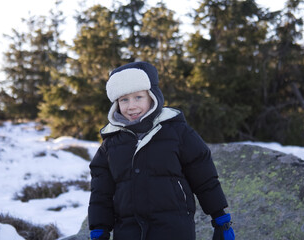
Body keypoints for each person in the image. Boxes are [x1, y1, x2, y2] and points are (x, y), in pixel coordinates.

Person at [88, 61, 235, 240]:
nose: (131, 106)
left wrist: (220, 217)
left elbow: (204, 177)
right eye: (123, 99)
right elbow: (101, 193)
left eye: (138, 97)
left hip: (174, 229)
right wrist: (99, 228)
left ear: (152, 96)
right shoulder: (111, 144)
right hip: (129, 231)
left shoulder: (177, 132)